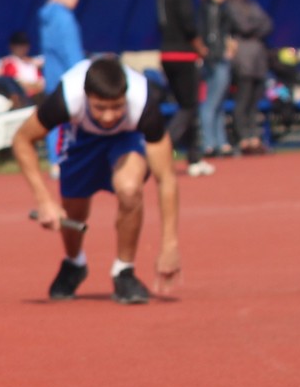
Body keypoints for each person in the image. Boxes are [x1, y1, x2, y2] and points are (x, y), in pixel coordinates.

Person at [14, 55, 180, 306]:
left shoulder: (144, 104)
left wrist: (170, 244)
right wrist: (44, 200)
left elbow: (166, 177)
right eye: (100, 107)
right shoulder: (65, 99)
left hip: (127, 137)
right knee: (74, 209)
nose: (108, 117)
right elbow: (22, 140)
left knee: (130, 189)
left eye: (117, 106)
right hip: (81, 136)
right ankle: (74, 262)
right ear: (86, 96)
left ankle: (124, 271)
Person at [157, 0, 204, 174]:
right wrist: (200, 46)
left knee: (187, 106)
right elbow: (187, 22)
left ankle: (195, 157)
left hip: (167, 53)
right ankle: (164, 147)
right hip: (182, 53)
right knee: (188, 105)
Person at [226, 0, 274, 154]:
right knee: (243, 100)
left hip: (258, 60)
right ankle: (243, 137)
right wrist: (255, 26)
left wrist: (254, 26)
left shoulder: (252, 5)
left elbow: (268, 24)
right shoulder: (230, 6)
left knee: (255, 101)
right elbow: (243, 27)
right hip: (243, 59)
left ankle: (255, 137)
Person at [196, 0, 234, 166]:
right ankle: (209, 143)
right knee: (211, 102)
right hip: (215, 59)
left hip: (220, 57)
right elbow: (209, 34)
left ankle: (220, 141)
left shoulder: (220, 8)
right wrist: (216, 52)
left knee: (218, 102)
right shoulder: (209, 8)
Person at [38, 0, 84, 82]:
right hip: (68, 80)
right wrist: (80, 77)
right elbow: (71, 51)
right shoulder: (64, 18)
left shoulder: (48, 17)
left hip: (52, 80)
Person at [0, 31, 44, 97]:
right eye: (19, 45)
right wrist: (33, 85)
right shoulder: (9, 62)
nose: (22, 48)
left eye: (24, 44)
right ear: (11, 46)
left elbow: (42, 84)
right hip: (22, 100)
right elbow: (15, 85)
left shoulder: (33, 63)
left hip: (37, 98)